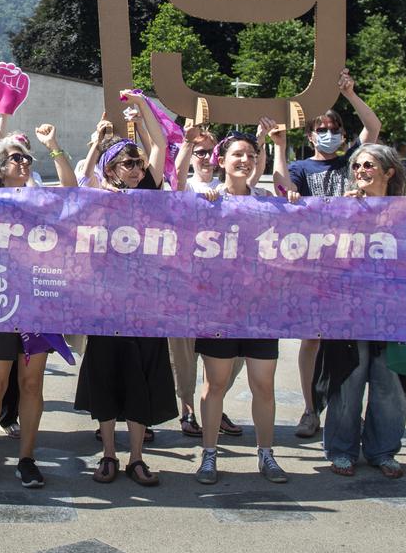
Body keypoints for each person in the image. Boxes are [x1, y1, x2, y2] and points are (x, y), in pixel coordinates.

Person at [0, 124, 77, 489]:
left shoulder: (40, 199)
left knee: (31, 385)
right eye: (18, 158)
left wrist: (54, 147)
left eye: (28, 158)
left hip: (38, 306)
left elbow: (73, 194)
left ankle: (27, 458)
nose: (26, 162)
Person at [76, 95, 178, 487]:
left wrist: (144, 106)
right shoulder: (99, 200)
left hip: (145, 305)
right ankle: (107, 454)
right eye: (128, 163)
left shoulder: (150, 191)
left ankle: (136, 457)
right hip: (105, 305)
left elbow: (161, 145)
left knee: (141, 377)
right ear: (112, 169)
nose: (136, 169)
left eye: (138, 163)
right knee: (105, 377)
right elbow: (80, 184)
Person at [194, 121, 300, 485]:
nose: (245, 160)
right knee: (215, 385)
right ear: (221, 160)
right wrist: (202, 204)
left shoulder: (267, 203)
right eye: (237, 154)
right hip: (217, 311)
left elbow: (289, 193)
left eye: (251, 156)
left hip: (260, 311)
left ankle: (266, 454)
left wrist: (281, 150)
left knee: (263, 385)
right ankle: (209, 455)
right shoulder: (206, 200)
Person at [287, 69, 382, 438]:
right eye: (321, 129)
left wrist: (351, 94)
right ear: (310, 135)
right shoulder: (300, 167)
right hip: (313, 263)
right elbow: (285, 189)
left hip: (351, 262)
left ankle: (346, 411)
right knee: (311, 338)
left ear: (344, 135)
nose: (329, 134)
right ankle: (310, 409)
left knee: (347, 338)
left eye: (336, 128)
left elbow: (372, 128)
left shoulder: (352, 162)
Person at [313, 143, 406, 478]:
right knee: (348, 378)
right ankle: (341, 450)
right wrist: (342, 217)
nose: (361, 172)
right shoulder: (343, 208)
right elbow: (328, 255)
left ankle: (383, 451)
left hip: (393, 310)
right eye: (356, 167)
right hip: (348, 309)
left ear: (389, 172)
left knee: (389, 383)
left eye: (368, 166)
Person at [170, 123, 255, 440]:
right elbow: (177, 185)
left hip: (228, 291)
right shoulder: (189, 188)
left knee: (231, 357)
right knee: (185, 353)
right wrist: (186, 145)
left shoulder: (227, 188)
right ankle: (188, 409)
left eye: (210, 151)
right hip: (189, 286)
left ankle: (213, 406)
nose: (205, 157)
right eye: (199, 151)